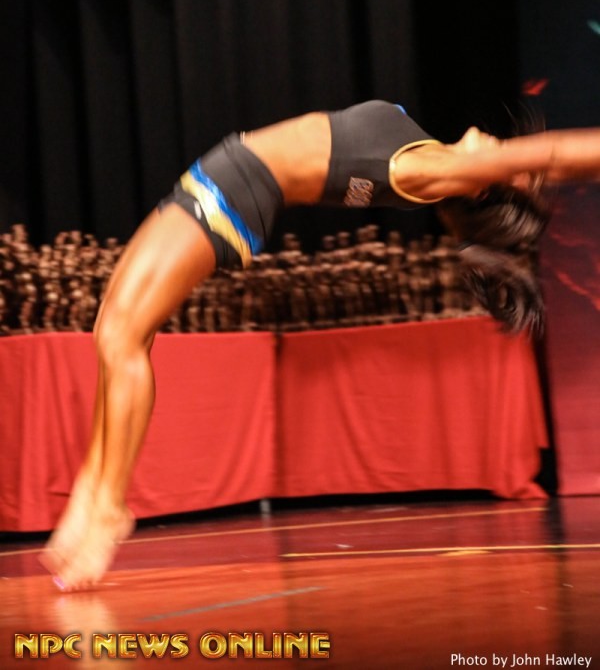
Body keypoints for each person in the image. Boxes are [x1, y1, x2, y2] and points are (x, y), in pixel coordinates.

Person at [40, 99, 600, 591]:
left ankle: (109, 504)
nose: (500, 146)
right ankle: (95, 485)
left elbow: (554, 154)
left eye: (509, 165)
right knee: (111, 329)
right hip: (221, 177)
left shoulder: (438, 169)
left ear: (484, 183)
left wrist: (530, 165)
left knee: (123, 335)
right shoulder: (425, 153)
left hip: (232, 192)